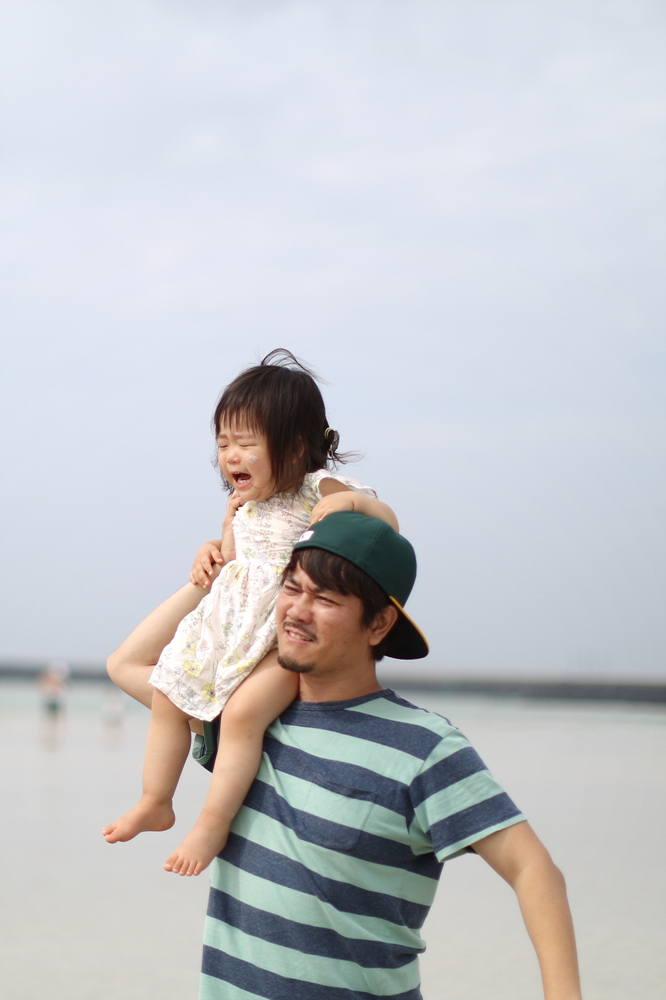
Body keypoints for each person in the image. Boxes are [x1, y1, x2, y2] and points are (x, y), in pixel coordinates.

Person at [197, 511, 582, 1000]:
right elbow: (136, 664)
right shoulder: (247, 722)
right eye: (291, 588)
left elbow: (532, 869)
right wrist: (208, 576)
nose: (297, 611)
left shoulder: (424, 748)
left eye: (325, 599)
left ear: (379, 623)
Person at [102, 350, 400, 877]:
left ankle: (211, 824)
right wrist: (210, 552)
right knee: (169, 689)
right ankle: (156, 799)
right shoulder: (243, 507)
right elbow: (235, 560)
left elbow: (386, 521)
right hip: (228, 630)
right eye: (223, 444)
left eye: (245, 443)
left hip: (279, 641)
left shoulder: (317, 489)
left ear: (295, 446)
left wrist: (351, 506)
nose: (230, 456)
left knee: (242, 715)